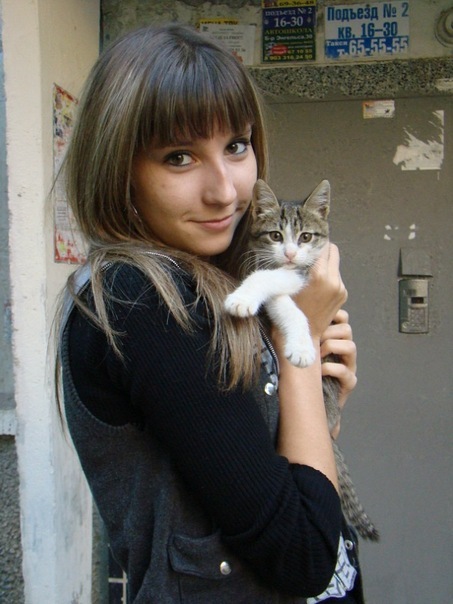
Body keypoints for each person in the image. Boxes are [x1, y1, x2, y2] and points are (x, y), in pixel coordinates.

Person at [56, 23, 365, 603]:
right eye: (179, 157)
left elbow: (278, 472)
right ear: (118, 168)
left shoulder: (216, 274)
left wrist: (321, 407)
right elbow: (304, 555)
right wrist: (299, 343)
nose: (225, 191)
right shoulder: (143, 299)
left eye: (237, 146)